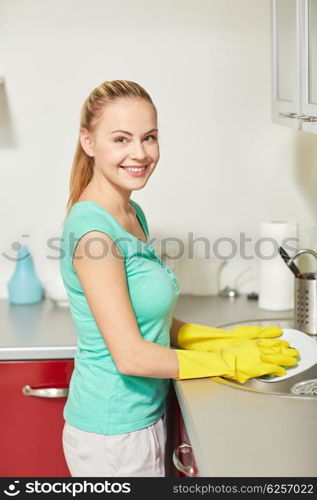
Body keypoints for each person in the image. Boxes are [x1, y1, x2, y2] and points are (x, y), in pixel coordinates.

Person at [59, 80, 299, 477]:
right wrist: (228, 360)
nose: (140, 153)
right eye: (121, 139)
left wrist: (222, 338)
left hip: (139, 421)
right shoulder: (95, 235)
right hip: (112, 436)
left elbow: (147, 321)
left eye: (149, 137)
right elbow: (131, 355)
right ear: (88, 141)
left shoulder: (130, 214)